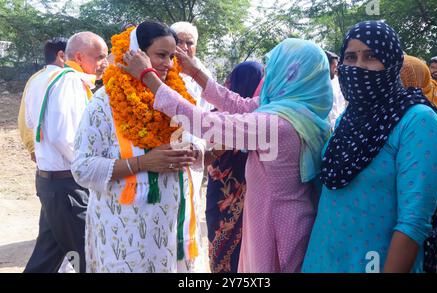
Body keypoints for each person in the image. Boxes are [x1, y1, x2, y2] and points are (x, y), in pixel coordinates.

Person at [120, 37, 333, 272]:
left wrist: (147, 76)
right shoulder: (303, 111)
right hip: (291, 215)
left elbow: (202, 122)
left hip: (274, 224)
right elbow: (239, 103)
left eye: (273, 68)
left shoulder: (277, 125)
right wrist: (195, 73)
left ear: (288, 73)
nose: (267, 76)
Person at [302, 21, 437, 273]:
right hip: (324, 258)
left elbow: (412, 224)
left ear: (391, 62)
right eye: (350, 56)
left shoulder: (418, 121)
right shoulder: (349, 118)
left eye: (371, 56)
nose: (357, 66)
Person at [71, 21, 207, 273]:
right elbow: (82, 168)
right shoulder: (105, 103)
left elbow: (199, 133)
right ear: (138, 54)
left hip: (173, 225)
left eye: (171, 56)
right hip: (125, 230)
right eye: (161, 55)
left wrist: (194, 150)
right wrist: (142, 163)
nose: (168, 63)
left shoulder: (176, 96)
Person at [24, 31, 108, 273]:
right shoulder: (71, 81)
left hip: (51, 182)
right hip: (68, 186)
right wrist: (88, 167)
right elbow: (65, 137)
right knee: (90, 257)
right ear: (79, 57)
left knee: (46, 257)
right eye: (99, 56)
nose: (104, 62)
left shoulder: (40, 78)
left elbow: (31, 121)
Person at [205, 61, 263, 273]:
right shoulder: (258, 120)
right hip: (240, 195)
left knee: (224, 248)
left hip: (219, 194)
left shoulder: (216, 114)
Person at [18, 37, 67, 163]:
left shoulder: (36, 78)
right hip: (59, 164)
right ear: (61, 55)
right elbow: (25, 117)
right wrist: (32, 148)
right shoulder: (64, 80)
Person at [170, 21, 214, 111]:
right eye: (179, 42)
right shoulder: (163, 69)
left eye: (189, 43)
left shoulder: (205, 73)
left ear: (196, 46)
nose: (185, 47)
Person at [324, 50, 346, 129]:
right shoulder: (319, 85)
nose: (336, 69)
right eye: (334, 66)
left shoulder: (337, 81)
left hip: (339, 124)